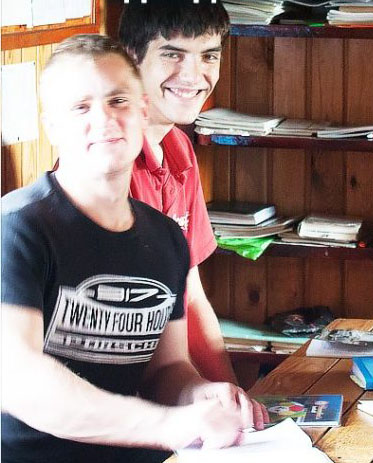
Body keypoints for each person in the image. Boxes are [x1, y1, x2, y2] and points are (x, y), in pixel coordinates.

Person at [1, 35, 266, 463]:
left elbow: (166, 370)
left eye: (118, 101)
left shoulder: (166, 239)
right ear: (51, 127)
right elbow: (21, 380)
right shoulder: (17, 228)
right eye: (80, 107)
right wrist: (167, 425)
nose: (104, 119)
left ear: (143, 110)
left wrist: (201, 394)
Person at [118, 0, 236, 383]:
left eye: (209, 56)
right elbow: (130, 326)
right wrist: (200, 398)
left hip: (174, 389)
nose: (194, 75)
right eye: (173, 54)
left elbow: (190, 294)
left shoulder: (179, 146)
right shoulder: (108, 163)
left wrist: (232, 391)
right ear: (131, 57)